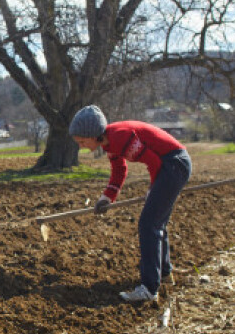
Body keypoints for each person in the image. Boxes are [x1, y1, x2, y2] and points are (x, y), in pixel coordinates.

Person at [69, 105, 192, 303]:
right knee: (156, 223)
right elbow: (119, 170)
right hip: (173, 164)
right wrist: (106, 197)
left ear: (94, 135)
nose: (81, 146)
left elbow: (155, 163)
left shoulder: (120, 137)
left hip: (173, 164)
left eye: (82, 141)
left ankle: (149, 289)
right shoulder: (109, 143)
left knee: (148, 224)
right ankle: (164, 274)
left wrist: (152, 190)